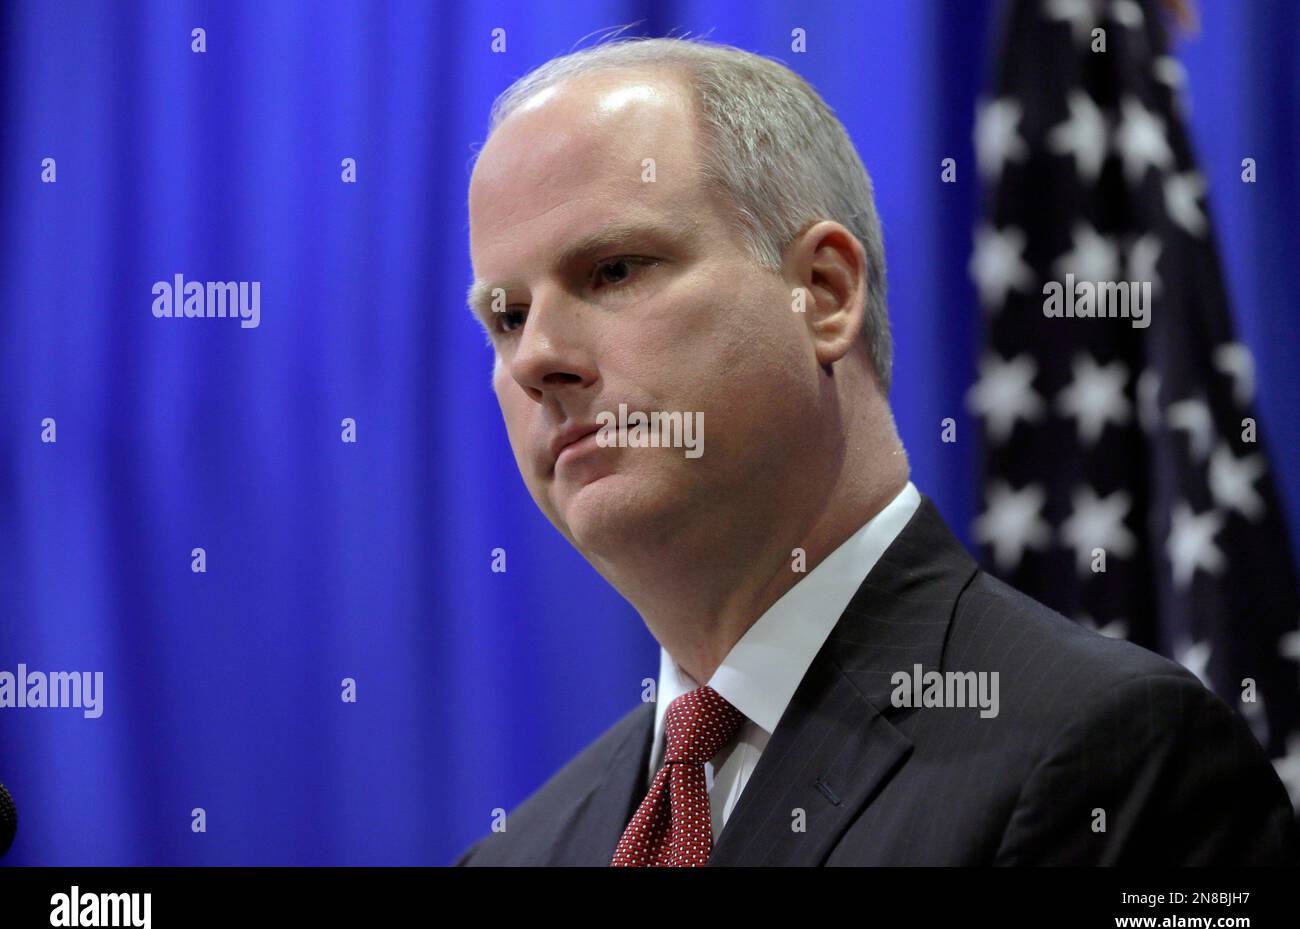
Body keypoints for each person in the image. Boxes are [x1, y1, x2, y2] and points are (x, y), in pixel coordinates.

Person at [455, 36, 1298, 866]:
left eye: (614, 270)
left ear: (822, 294)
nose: (535, 359)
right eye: (506, 315)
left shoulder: (1118, 759)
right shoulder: (515, 853)